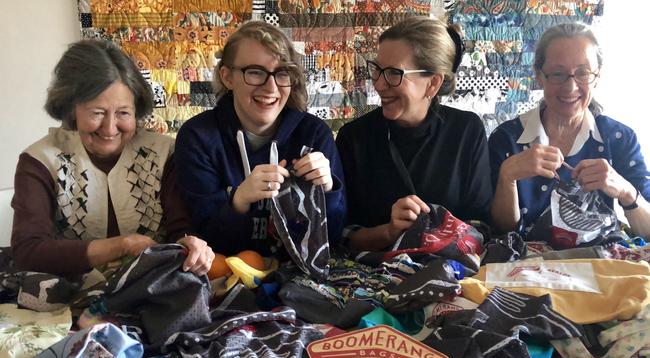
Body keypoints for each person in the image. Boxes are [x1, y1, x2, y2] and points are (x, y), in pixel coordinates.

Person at [11, 39, 214, 277]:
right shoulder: (39, 161)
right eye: (97, 113)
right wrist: (123, 245)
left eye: (123, 113)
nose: (109, 128)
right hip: (65, 298)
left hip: (151, 292)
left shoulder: (166, 153)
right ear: (70, 110)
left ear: (137, 110)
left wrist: (191, 244)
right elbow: (28, 252)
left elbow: (181, 229)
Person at [174, 21, 346, 256]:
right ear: (227, 77)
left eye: (282, 73)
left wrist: (328, 191)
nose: (271, 87)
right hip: (225, 272)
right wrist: (239, 201)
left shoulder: (315, 134)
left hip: (298, 277)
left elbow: (333, 241)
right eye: (255, 72)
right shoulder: (197, 137)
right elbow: (203, 240)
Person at [336, 16, 492, 251]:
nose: (378, 84)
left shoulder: (466, 132)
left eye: (393, 73)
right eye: (377, 70)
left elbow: (482, 227)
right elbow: (341, 236)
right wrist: (388, 232)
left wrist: (431, 234)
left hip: (450, 275)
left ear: (433, 84)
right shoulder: (354, 138)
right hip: (368, 277)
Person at [489, 22, 650, 238]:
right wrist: (506, 177)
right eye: (557, 73)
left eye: (583, 73)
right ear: (539, 76)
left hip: (599, 267)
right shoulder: (506, 139)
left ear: (597, 77)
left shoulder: (619, 138)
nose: (571, 87)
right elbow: (499, 232)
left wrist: (626, 192)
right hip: (525, 267)